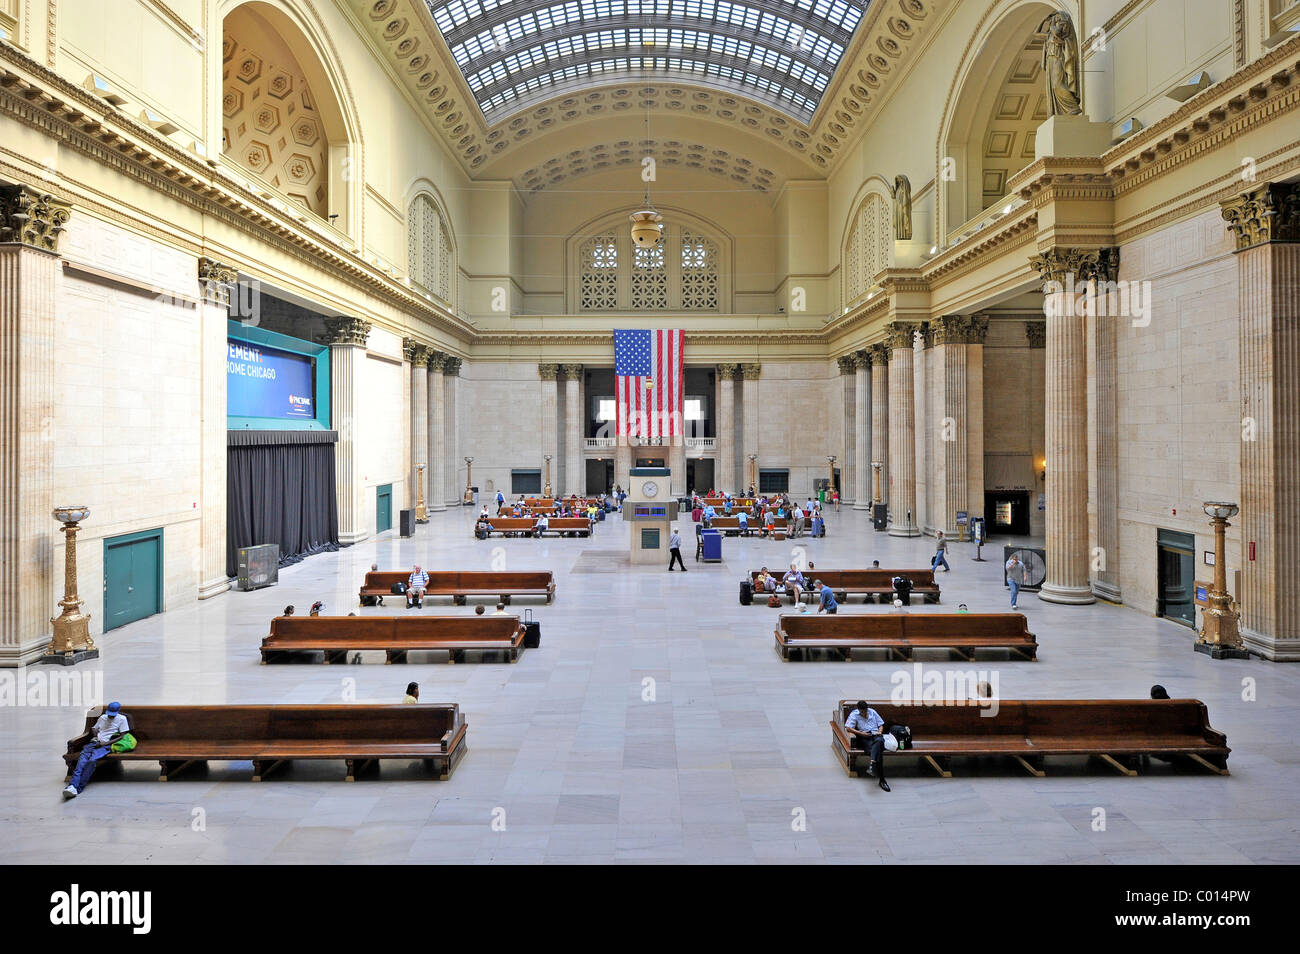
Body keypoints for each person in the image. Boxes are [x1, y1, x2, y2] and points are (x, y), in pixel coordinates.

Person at [63, 702, 130, 798]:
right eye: (109, 714)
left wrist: (106, 743)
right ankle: (72, 786)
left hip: (105, 746)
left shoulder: (122, 719)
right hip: (93, 743)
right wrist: (95, 734)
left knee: (92, 761)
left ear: (118, 712)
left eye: (112, 715)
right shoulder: (103, 717)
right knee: (81, 762)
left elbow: (123, 736)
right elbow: (94, 728)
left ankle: (77, 788)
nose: (110, 716)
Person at [844, 700, 891, 792]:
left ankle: (872, 764)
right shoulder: (854, 715)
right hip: (864, 736)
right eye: (862, 711)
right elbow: (848, 728)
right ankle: (882, 780)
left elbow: (881, 724)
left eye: (865, 711)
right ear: (859, 710)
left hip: (876, 735)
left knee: (879, 742)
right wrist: (860, 733)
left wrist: (879, 732)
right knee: (878, 752)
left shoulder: (872, 712)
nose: (864, 713)